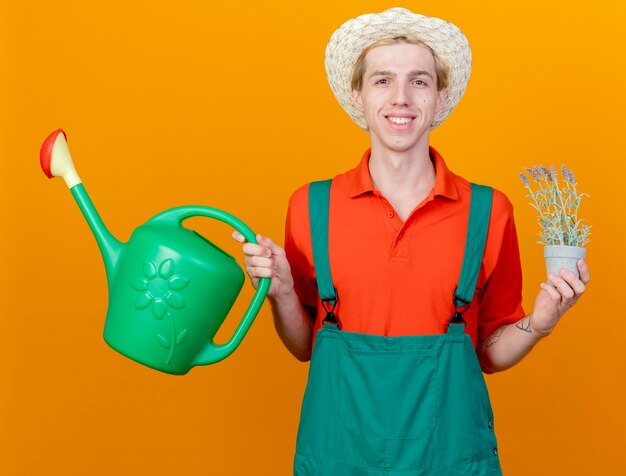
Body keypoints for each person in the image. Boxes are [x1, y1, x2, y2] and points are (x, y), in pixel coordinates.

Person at [233, 7, 589, 475]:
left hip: (452, 461)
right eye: (382, 80)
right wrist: (280, 292)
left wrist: (539, 324)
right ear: (358, 95)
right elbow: (306, 346)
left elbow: (489, 352)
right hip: (338, 459)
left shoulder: (489, 212)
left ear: (438, 96)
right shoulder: (310, 206)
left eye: (418, 81)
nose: (401, 98)